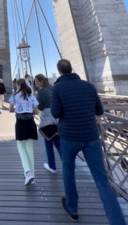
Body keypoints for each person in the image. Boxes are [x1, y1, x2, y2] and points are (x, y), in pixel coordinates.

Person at [51, 59, 125, 224]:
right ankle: (118, 221)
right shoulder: (89, 86)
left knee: (68, 170)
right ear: (72, 69)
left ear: (60, 71)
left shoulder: (57, 88)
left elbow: (55, 113)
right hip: (90, 137)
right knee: (102, 180)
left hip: (69, 138)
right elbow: (99, 110)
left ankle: (72, 208)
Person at [9, 78, 39, 186]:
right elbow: (36, 111)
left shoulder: (15, 95)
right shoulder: (31, 96)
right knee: (29, 149)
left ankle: (27, 173)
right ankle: (32, 175)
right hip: (30, 122)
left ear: (18, 85)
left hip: (20, 122)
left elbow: (10, 109)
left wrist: (18, 108)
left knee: (21, 147)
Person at [35, 74, 61, 174]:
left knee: (48, 142)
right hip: (57, 119)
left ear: (41, 81)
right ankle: (67, 163)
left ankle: (52, 166)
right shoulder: (53, 88)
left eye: (37, 81)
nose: (35, 83)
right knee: (58, 143)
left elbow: (40, 107)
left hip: (47, 120)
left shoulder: (41, 91)